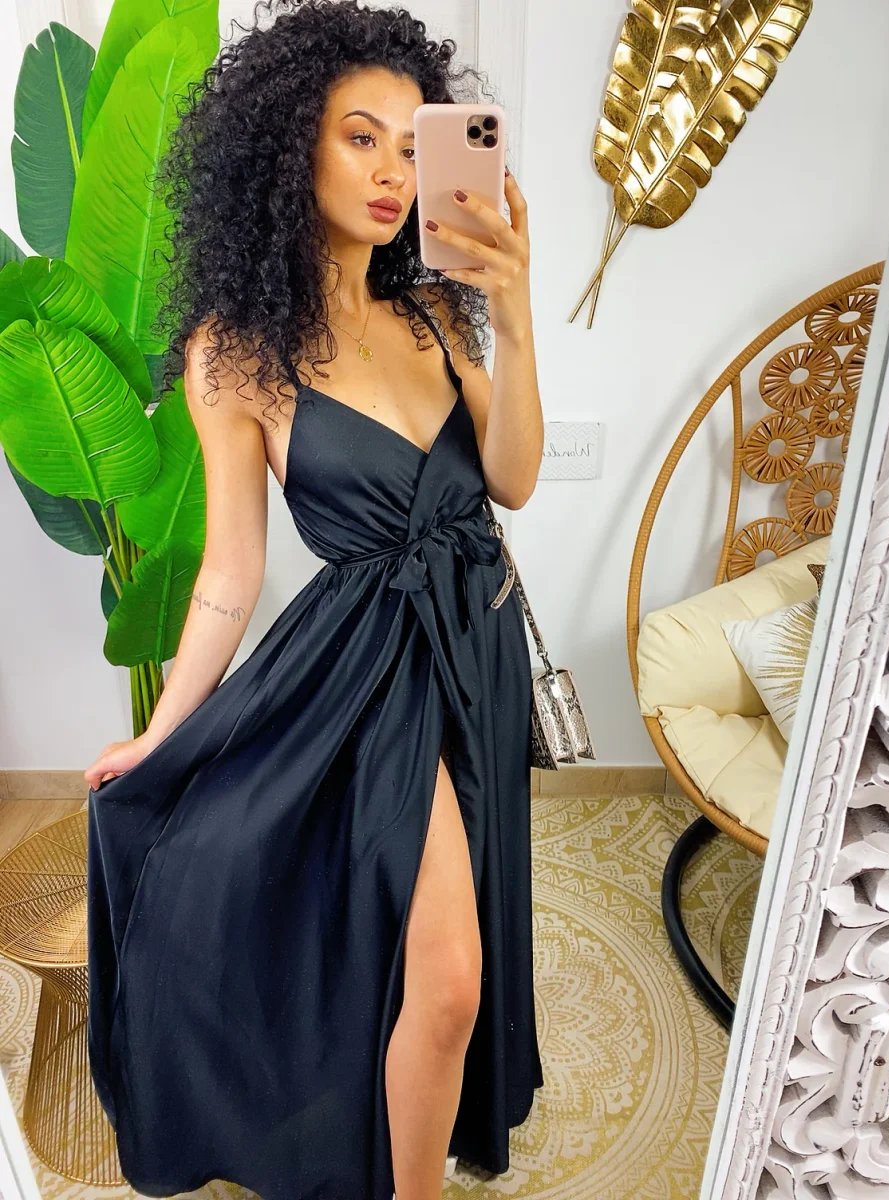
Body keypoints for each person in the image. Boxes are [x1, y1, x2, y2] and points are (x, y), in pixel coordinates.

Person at [83, 2, 545, 1198]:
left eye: (410, 143)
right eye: (359, 137)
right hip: (366, 672)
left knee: (444, 950)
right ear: (291, 145)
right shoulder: (235, 351)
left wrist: (516, 309)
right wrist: (163, 732)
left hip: (477, 643)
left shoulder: (437, 310)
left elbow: (512, 481)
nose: (392, 172)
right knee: (448, 981)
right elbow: (230, 573)